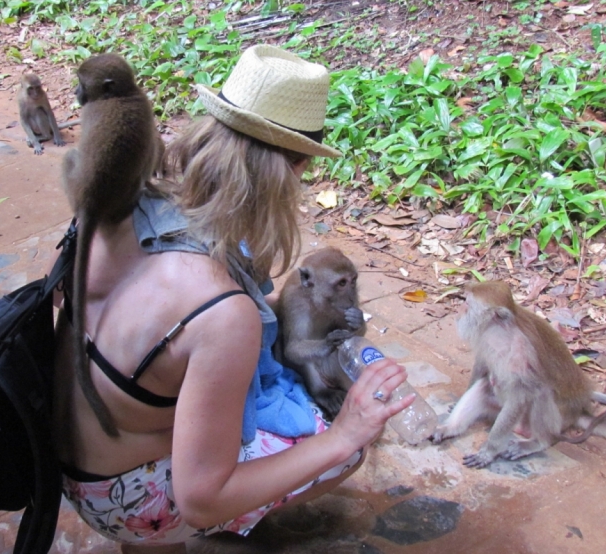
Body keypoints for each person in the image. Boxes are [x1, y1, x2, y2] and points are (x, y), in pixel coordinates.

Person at [51, 44, 414, 553]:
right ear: (291, 171)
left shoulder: (125, 199)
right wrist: (345, 433)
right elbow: (202, 495)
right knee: (342, 446)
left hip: (68, 455)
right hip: (126, 499)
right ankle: (167, 533)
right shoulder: (222, 312)